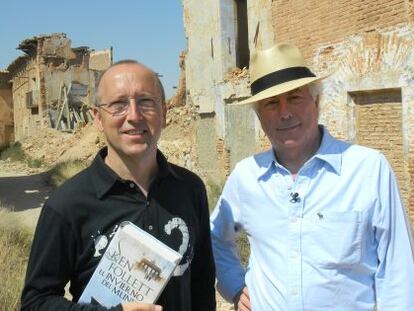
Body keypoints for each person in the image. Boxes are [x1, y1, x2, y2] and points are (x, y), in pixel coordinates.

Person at [210, 43, 414, 310]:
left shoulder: (368, 169)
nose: (285, 113)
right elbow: (215, 237)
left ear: (317, 102)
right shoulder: (247, 177)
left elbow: (397, 271)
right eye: (272, 103)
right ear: (260, 117)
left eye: (295, 97)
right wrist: (235, 285)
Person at [21, 60, 216, 311]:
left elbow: (201, 283)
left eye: (146, 101)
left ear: (164, 113)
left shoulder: (191, 189)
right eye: (118, 105)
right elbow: (35, 302)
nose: (134, 116)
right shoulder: (67, 204)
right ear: (98, 118)